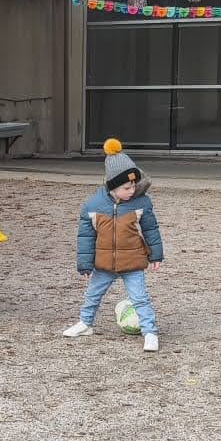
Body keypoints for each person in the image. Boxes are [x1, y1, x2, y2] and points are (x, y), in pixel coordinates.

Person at [63, 140, 163, 353]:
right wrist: (85, 264)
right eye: (127, 187)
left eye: (134, 185)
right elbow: (85, 237)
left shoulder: (142, 203)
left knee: (140, 298)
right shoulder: (92, 206)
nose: (132, 190)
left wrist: (156, 256)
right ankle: (85, 323)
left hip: (133, 262)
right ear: (112, 186)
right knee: (92, 295)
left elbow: (151, 230)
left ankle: (150, 332)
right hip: (103, 263)